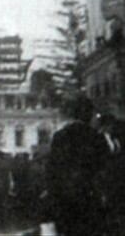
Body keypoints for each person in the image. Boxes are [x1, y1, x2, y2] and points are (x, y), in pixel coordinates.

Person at [47, 96, 109, 236]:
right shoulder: (95, 137)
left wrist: (53, 194)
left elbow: (52, 168)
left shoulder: (60, 136)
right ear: (86, 113)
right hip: (89, 194)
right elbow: (104, 166)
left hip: (65, 196)